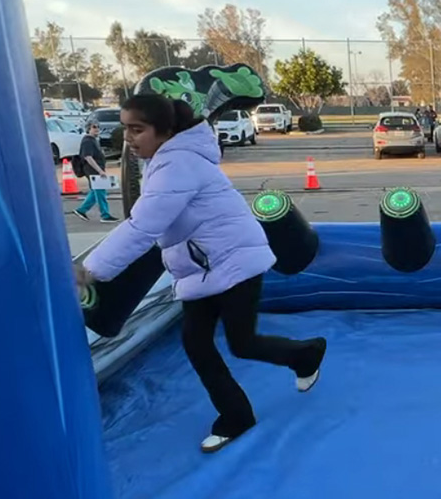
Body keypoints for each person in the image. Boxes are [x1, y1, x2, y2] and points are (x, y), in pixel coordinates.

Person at [76, 93, 327, 453]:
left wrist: (89, 270)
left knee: (241, 343)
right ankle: (237, 416)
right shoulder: (164, 161)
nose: (128, 138)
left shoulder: (178, 165)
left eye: (138, 129)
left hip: (234, 261)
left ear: (164, 132)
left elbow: (142, 228)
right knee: (197, 343)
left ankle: (305, 354)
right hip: (202, 267)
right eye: (125, 129)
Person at [72, 122, 119, 223]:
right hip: (93, 171)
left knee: (95, 192)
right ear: (88, 129)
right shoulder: (87, 141)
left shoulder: (93, 140)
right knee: (101, 192)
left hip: (95, 170)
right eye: (94, 127)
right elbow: (88, 157)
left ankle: (81, 210)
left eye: (98, 127)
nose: (97, 129)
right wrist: (100, 170)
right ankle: (105, 215)